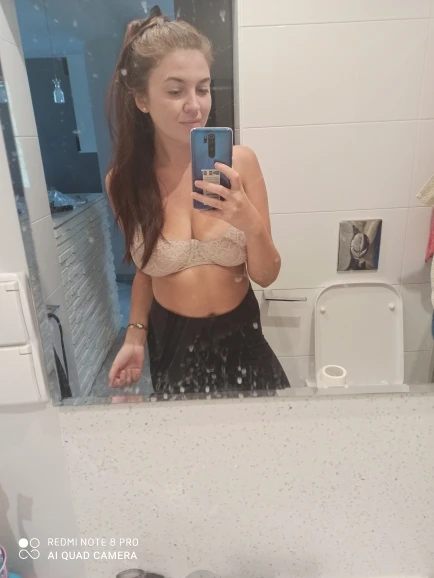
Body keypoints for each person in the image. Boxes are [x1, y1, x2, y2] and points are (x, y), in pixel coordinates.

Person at [106, 6, 290, 394]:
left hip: (243, 340)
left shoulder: (240, 163)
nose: (195, 105)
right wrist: (135, 337)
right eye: (176, 91)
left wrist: (250, 223)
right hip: (174, 346)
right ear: (142, 99)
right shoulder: (124, 182)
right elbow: (146, 270)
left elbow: (267, 275)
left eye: (203, 88)